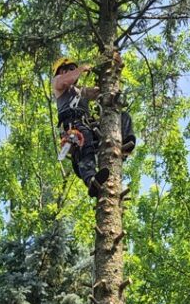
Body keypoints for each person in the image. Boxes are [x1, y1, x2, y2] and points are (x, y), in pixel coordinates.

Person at [51, 55, 136, 197]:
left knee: (123, 117)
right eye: (70, 69)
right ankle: (91, 179)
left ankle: (124, 145)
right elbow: (66, 81)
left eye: (74, 69)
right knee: (85, 138)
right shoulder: (58, 83)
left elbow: (99, 91)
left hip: (88, 125)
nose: (74, 72)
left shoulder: (80, 91)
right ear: (62, 71)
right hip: (74, 126)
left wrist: (112, 69)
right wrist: (81, 68)